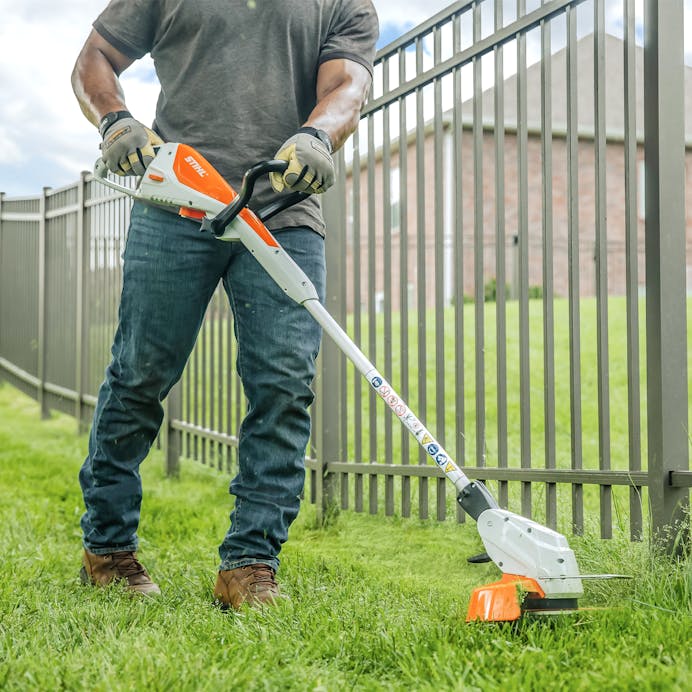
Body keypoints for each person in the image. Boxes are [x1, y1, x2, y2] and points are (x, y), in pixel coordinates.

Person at [71, 0, 378, 608]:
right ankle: (107, 550)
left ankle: (250, 564)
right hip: (176, 200)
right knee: (139, 373)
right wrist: (115, 121)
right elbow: (94, 60)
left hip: (283, 210)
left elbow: (346, 84)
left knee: (283, 385)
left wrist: (318, 134)